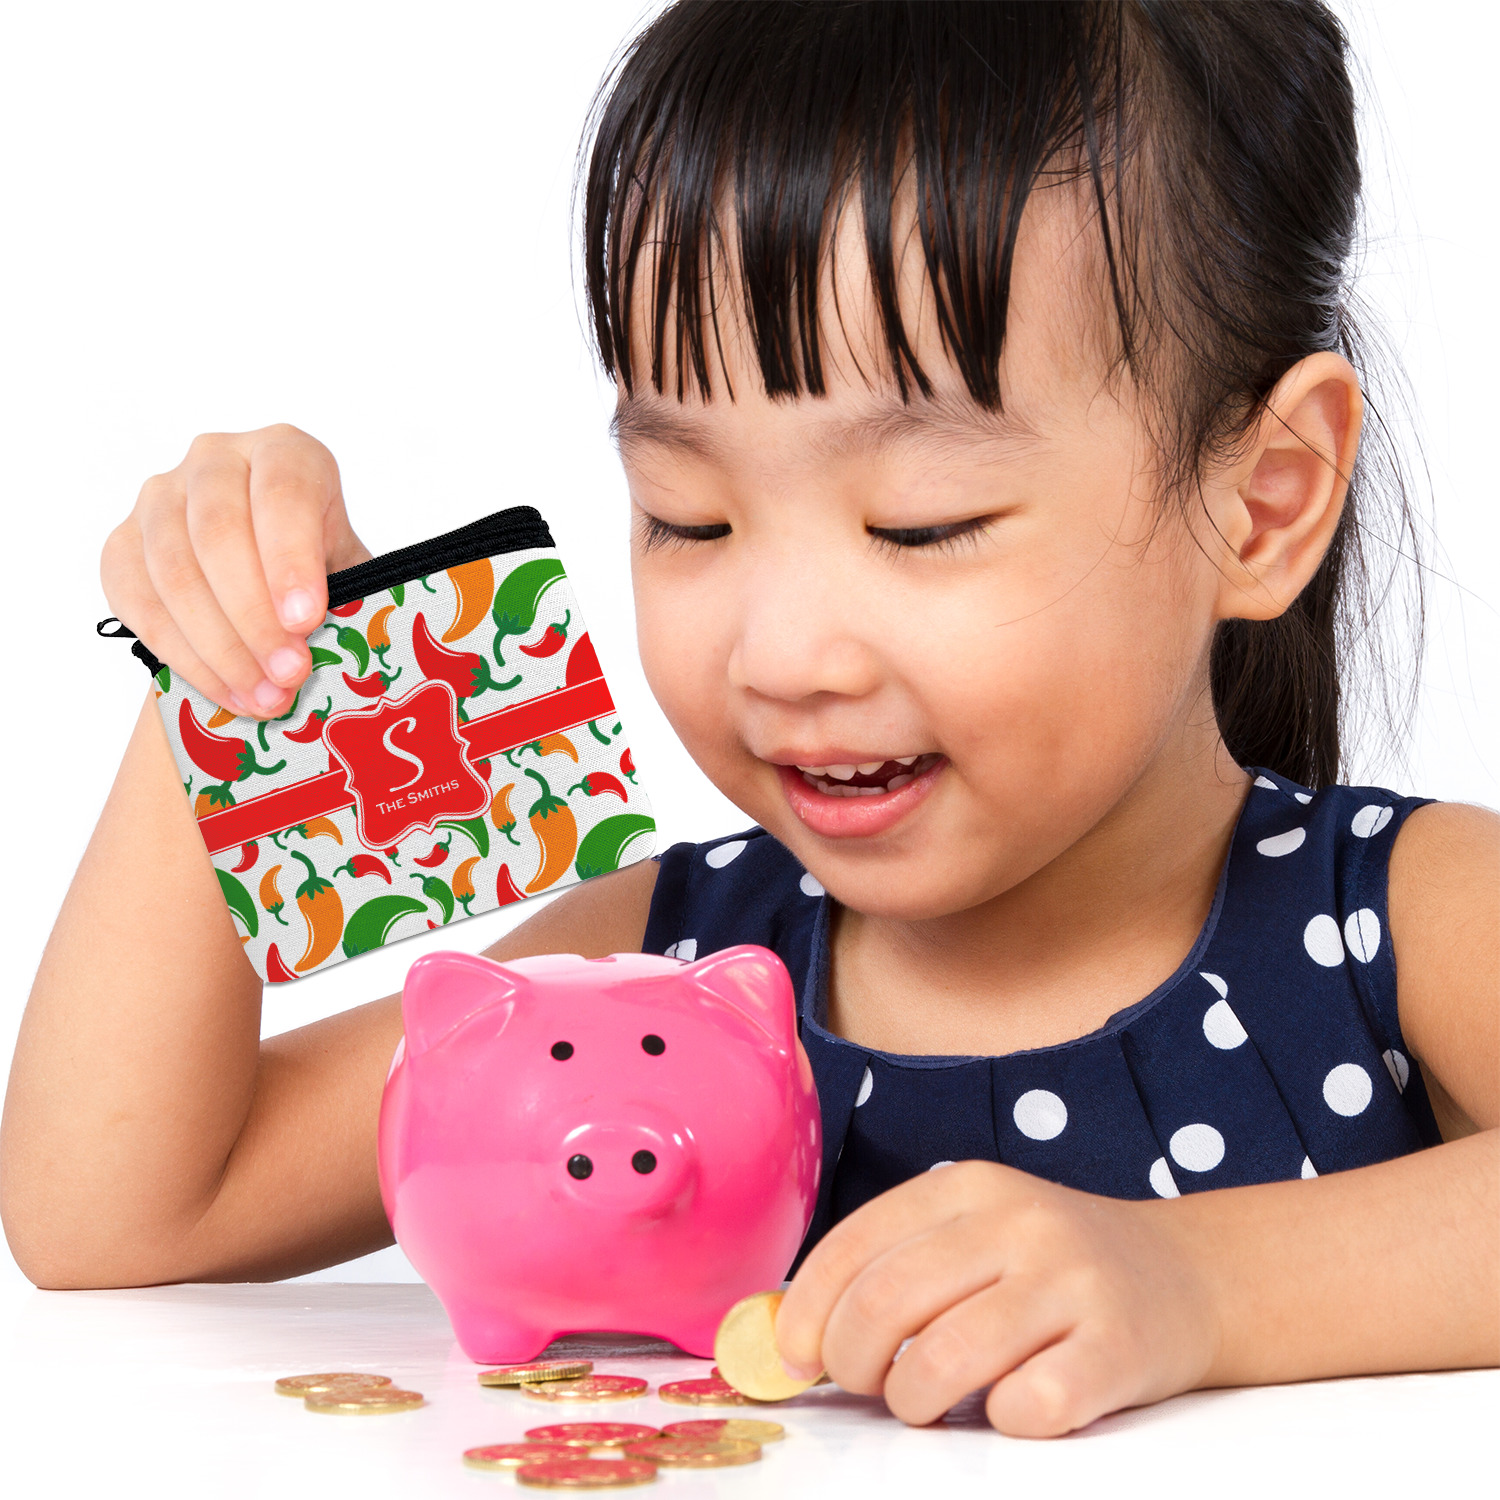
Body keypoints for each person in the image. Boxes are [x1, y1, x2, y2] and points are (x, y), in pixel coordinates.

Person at [1, 0, 1494, 1439]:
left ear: (1262, 502)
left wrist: (1198, 1287)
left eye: (920, 523)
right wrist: (238, 659)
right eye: (689, 517)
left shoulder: (1401, 915)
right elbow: (123, 1217)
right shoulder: (661, 967)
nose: (783, 657)